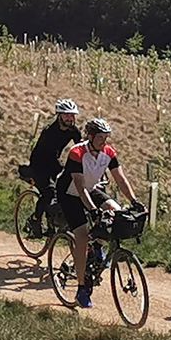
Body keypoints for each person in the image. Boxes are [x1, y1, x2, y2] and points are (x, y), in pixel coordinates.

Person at [59, 118, 140, 308]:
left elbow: (120, 179)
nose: (104, 142)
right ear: (91, 136)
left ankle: (98, 246)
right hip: (70, 193)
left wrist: (135, 202)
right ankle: (81, 289)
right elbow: (79, 187)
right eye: (100, 138)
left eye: (106, 138)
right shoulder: (77, 153)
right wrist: (93, 211)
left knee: (117, 213)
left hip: (91, 188)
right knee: (81, 235)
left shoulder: (108, 153)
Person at [22, 99, 83, 238]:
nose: (70, 118)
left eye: (72, 115)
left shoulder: (73, 131)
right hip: (39, 164)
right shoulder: (49, 130)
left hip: (53, 161)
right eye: (66, 115)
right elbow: (45, 154)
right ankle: (35, 219)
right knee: (49, 192)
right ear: (59, 115)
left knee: (64, 189)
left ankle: (52, 224)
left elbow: (81, 149)